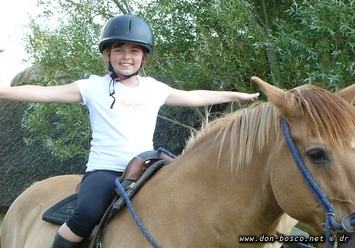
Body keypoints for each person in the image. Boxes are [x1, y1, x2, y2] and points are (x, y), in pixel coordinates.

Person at [0, 14, 259, 248]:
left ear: (143, 57)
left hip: (148, 167)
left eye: (134, 50)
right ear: (107, 55)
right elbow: (42, 92)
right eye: (119, 49)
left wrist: (234, 95)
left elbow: (192, 96)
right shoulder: (92, 87)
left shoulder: (154, 88)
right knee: (86, 214)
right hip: (105, 171)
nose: (126, 56)